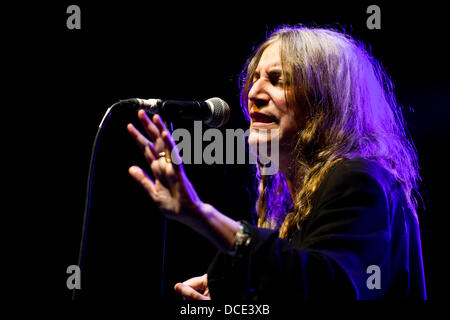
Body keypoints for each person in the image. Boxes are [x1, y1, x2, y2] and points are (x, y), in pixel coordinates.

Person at [126, 25, 427, 300]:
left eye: (277, 80)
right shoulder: (300, 205)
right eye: (254, 80)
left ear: (324, 101)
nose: (253, 95)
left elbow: (330, 288)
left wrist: (201, 214)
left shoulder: (358, 179)